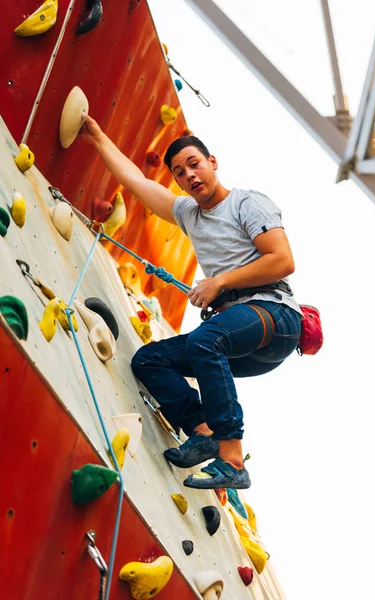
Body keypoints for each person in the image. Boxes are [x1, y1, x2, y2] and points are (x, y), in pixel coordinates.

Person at [80, 115, 302, 490]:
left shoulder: (247, 203)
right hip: (240, 333)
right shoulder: (187, 213)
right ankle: (203, 433)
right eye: (180, 173)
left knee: (205, 340)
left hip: (275, 316)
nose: (190, 176)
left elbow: (282, 260)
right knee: (150, 360)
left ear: (213, 162)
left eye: (195, 164)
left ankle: (232, 458)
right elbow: (136, 182)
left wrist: (220, 282)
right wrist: (100, 138)